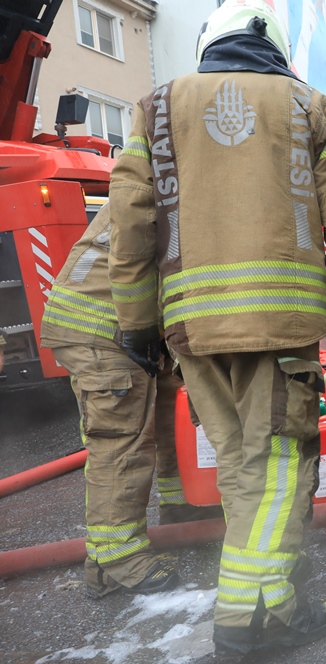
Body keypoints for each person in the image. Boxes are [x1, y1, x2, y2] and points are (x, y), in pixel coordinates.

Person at [107, 0, 326, 657]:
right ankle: (251, 613)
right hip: (279, 326)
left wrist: (136, 322)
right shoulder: (308, 106)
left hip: (191, 329)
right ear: (272, 43)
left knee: (238, 463)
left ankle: (270, 591)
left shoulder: (155, 108)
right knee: (281, 461)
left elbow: (130, 220)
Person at [38, 204, 219, 599]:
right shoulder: (185, 186)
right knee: (121, 442)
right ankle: (118, 560)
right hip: (104, 329)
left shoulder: (171, 181)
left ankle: (180, 510)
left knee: (169, 421)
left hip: (137, 326)